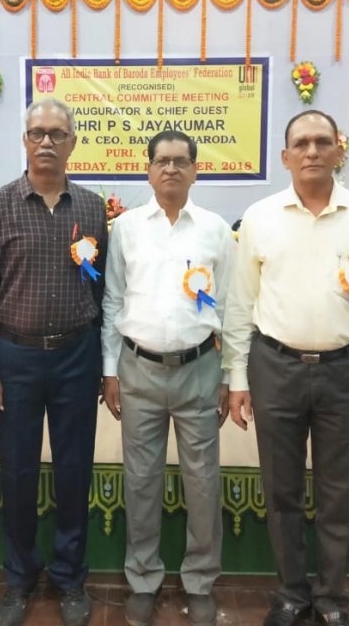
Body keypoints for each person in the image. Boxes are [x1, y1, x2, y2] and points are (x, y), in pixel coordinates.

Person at [222, 110, 349, 626]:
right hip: (275, 367)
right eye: (301, 143)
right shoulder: (260, 216)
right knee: (280, 489)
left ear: (338, 151)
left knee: (339, 491)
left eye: (322, 142)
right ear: (285, 156)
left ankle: (330, 597)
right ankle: (290, 593)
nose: (312, 151)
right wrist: (238, 377)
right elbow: (240, 304)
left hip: (346, 371)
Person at [0, 98, 107, 626]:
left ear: (73, 143)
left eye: (57, 133)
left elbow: (102, 290)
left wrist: (101, 364)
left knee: (75, 469)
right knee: (17, 472)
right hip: (15, 358)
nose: (46, 141)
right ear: (24, 141)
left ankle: (70, 578)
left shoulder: (92, 208)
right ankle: (19, 578)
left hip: (76, 355)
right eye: (36, 133)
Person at [101, 130, 233, 626]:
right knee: (141, 480)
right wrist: (109, 370)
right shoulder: (126, 228)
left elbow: (231, 306)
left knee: (202, 481)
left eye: (181, 161)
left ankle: (200, 581)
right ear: (149, 170)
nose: (171, 168)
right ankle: (143, 579)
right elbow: (112, 301)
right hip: (138, 369)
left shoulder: (215, 230)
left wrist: (229, 376)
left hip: (200, 369)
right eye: (162, 161)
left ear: (196, 170)